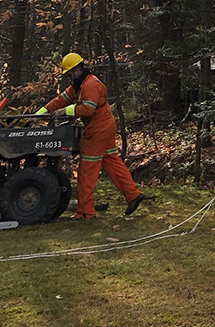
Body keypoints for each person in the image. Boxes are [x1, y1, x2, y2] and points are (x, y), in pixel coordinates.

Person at [35, 52, 145, 219]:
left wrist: (65, 111)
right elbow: (61, 99)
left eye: (70, 75)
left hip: (97, 129)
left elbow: (88, 109)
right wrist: (39, 114)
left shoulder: (90, 85)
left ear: (79, 69)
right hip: (104, 125)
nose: (70, 79)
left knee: (86, 170)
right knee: (112, 162)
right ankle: (133, 194)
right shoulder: (79, 86)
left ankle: (85, 212)